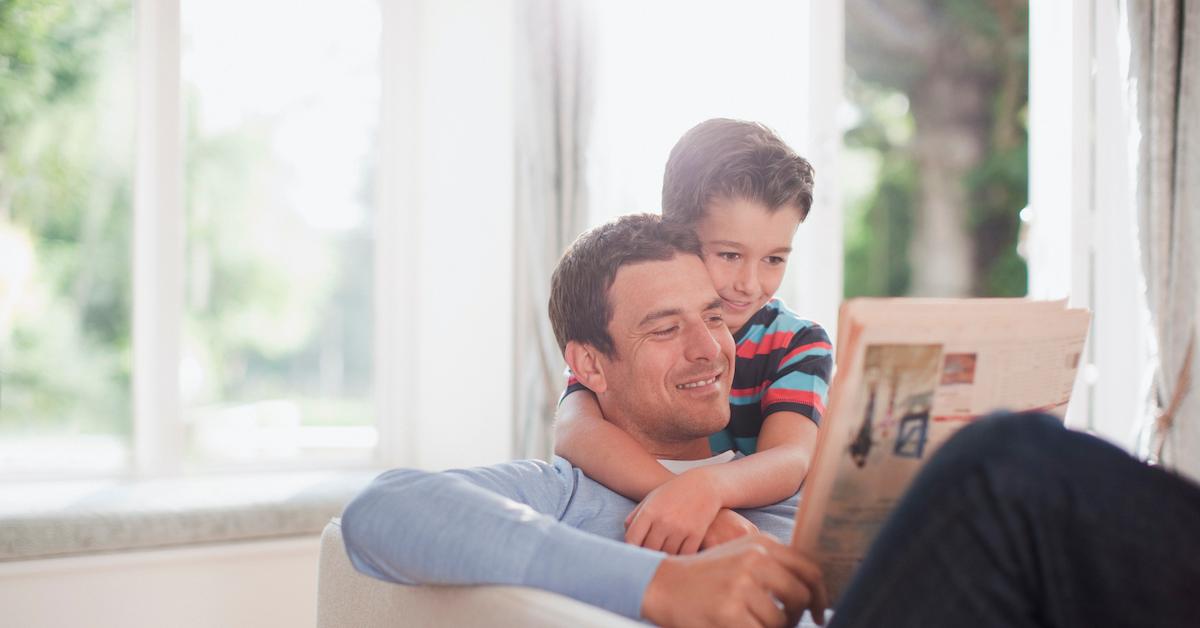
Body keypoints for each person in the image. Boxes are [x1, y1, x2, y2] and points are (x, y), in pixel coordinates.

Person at [343, 214, 828, 626]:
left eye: (715, 318)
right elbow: (381, 510)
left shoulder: (795, 492)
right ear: (590, 366)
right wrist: (661, 586)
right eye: (665, 329)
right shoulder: (567, 496)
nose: (709, 350)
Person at [555, 119, 833, 556]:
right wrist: (679, 496)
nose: (750, 283)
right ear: (677, 237)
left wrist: (704, 491)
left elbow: (790, 459)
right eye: (729, 254)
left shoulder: (797, 342)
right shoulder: (625, 336)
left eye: (774, 259)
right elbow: (575, 433)